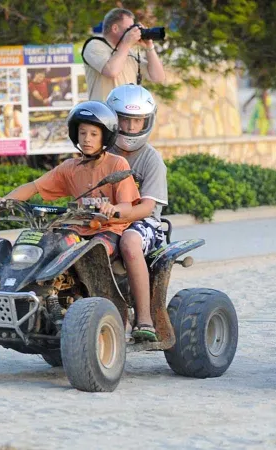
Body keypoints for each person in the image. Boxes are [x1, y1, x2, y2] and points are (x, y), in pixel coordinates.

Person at [0, 101, 140, 256]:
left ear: (106, 137)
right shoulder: (69, 167)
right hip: (77, 227)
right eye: (82, 133)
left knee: (96, 251)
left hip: (109, 229)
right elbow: (34, 187)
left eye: (93, 134)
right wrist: (5, 200)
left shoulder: (117, 164)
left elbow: (127, 206)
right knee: (47, 248)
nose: (87, 139)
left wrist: (114, 208)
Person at [107, 84, 168, 342]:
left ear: (147, 121)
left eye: (137, 121)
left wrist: (117, 216)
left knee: (130, 242)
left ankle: (144, 318)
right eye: (124, 120)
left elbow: (146, 207)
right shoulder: (101, 153)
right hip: (104, 221)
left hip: (144, 224)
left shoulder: (151, 160)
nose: (131, 128)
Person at [82, 8, 165, 101]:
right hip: (105, 113)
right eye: (129, 28)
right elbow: (111, 71)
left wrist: (149, 47)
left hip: (129, 113)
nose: (133, 32)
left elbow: (158, 77)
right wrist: (127, 43)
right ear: (115, 28)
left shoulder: (128, 51)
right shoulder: (94, 45)